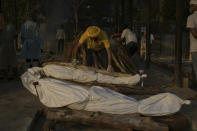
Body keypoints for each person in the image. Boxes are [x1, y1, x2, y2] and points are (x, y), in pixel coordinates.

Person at [0, 13, 17, 79]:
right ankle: (5, 73)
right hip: (4, 45)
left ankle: (10, 73)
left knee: (10, 59)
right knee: (4, 60)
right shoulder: (9, 26)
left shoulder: (10, 26)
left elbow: (15, 35)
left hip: (8, 45)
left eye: (1, 17)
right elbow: (15, 35)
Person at [187, 0, 197, 80]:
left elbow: (194, 34)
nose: (190, 7)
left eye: (191, 5)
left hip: (195, 48)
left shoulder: (191, 18)